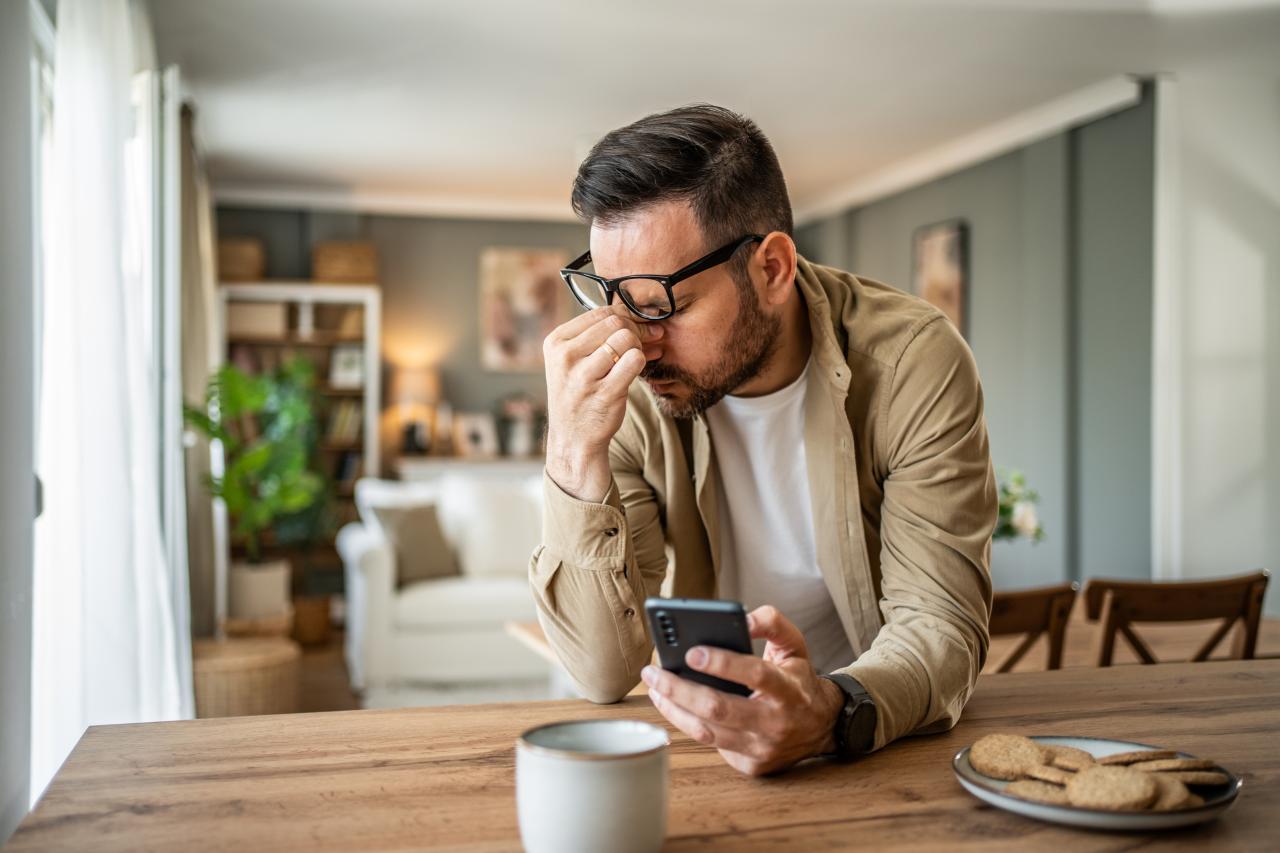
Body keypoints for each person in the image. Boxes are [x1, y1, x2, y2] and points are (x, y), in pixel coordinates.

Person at [531, 104, 996, 776]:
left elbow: (941, 630)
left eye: (663, 304)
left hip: (874, 739)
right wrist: (572, 453)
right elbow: (601, 672)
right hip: (697, 747)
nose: (634, 337)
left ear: (773, 268)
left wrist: (829, 712)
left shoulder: (913, 364)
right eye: (612, 297)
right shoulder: (629, 387)